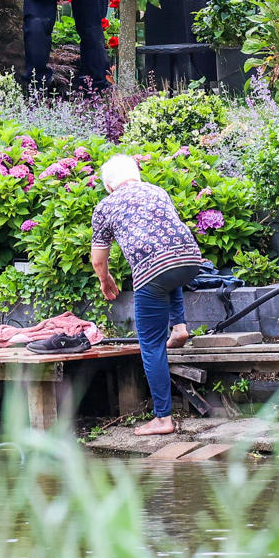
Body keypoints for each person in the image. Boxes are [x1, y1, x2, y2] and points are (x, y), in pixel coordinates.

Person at [90, 154, 203, 436]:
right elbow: (166, 237)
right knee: (168, 270)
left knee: (151, 345)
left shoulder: (106, 206)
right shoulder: (157, 191)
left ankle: (163, 418)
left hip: (153, 272)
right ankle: (179, 327)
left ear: (109, 186)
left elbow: (98, 259)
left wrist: (105, 281)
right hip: (190, 260)